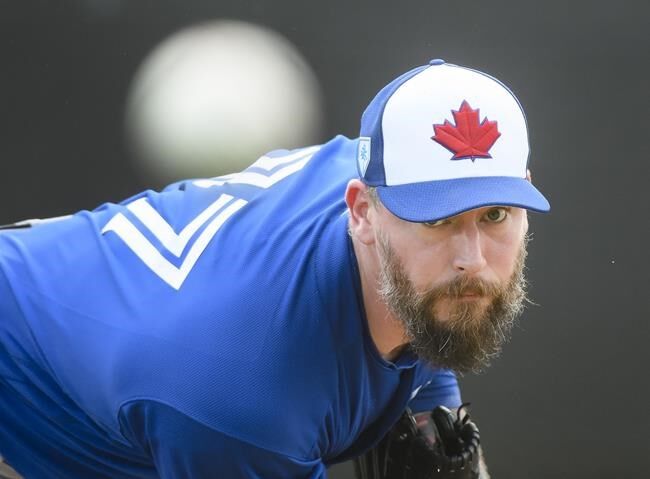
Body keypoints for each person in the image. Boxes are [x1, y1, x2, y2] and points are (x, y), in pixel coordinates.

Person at [0, 59, 549, 478]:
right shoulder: (247, 399)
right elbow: (242, 395)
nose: (472, 259)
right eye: (435, 221)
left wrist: (430, 408)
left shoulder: (394, 199)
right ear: (361, 212)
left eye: (496, 213)